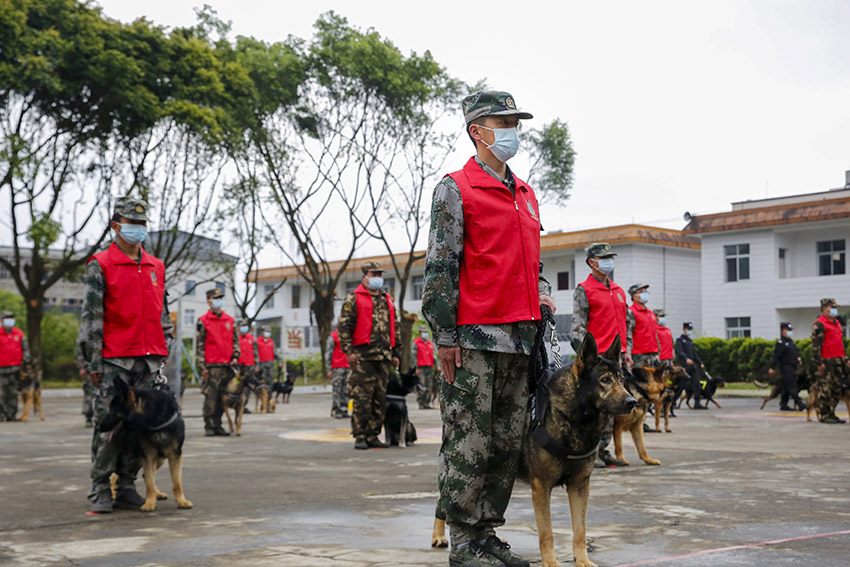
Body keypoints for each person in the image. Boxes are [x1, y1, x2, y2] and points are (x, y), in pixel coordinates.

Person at [423, 89, 554, 567]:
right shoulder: (454, 189)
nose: (512, 131)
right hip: (474, 338)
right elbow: (440, 266)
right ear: (477, 130)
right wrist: (444, 336)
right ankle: (462, 544)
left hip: (521, 339)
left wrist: (540, 290)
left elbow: (531, 262)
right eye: (503, 122)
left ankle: (486, 535)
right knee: (468, 441)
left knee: (504, 444)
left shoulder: (525, 194)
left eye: (515, 122)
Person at [75, 197, 174, 513]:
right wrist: (92, 361)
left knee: (141, 428)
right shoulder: (100, 264)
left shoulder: (156, 266)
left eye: (143, 224)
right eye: (132, 224)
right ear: (116, 226)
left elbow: (163, 312)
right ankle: (101, 488)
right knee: (110, 426)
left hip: (148, 359)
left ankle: (128, 486)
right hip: (114, 359)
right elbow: (91, 317)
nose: (138, 229)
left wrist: (164, 348)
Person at [571, 242, 629, 468]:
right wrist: (585, 360)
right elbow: (578, 328)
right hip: (597, 360)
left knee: (614, 405)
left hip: (616, 357)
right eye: (604, 258)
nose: (608, 262)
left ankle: (603, 449)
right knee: (592, 405)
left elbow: (625, 327)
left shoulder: (618, 291)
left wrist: (627, 353)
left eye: (610, 257)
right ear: (592, 262)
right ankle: (588, 450)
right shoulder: (584, 290)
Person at [337, 261, 400, 450]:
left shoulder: (386, 299)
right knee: (362, 398)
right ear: (364, 276)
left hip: (383, 356)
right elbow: (344, 327)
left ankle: (373, 434)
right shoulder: (353, 298)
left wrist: (396, 352)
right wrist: (349, 351)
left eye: (380, 275)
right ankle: (360, 435)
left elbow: (394, 327)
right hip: (363, 357)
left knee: (379, 398)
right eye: (374, 274)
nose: (378, 278)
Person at [197, 288, 240, 436]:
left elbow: (235, 341)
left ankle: (219, 424)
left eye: (220, 298)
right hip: (212, 366)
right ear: (209, 301)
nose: (218, 301)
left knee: (224, 397)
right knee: (211, 397)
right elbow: (200, 345)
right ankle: (209, 424)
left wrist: (235, 356)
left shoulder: (230, 320)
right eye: (215, 298)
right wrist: (202, 366)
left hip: (227, 365)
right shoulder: (203, 321)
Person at [811, 298, 848, 424]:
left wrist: (846, 358)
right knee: (826, 389)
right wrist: (819, 363)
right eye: (832, 307)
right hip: (827, 361)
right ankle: (824, 414)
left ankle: (831, 412)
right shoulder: (819, 324)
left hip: (838, 360)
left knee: (836, 390)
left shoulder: (836, 323)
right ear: (824, 308)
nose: (834, 310)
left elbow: (840, 343)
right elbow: (816, 346)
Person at [768, 323, 805, 411]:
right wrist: (772, 368)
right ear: (783, 331)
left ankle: (784, 404)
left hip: (793, 367)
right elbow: (776, 356)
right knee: (792, 386)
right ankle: (800, 403)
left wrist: (798, 358)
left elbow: (794, 353)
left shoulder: (791, 342)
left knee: (785, 387)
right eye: (788, 330)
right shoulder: (781, 343)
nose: (790, 332)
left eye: (790, 330)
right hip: (786, 368)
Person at [0, 311, 30, 422]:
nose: (9, 320)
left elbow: (26, 349)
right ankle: (2, 414)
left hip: (16, 368)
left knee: (13, 393)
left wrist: (25, 360)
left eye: (11, 318)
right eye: (7, 318)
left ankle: (11, 414)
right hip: (1, 369)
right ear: (2, 320)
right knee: (2, 393)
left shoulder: (19, 334)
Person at [627, 283, 660, 368]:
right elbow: (628, 334)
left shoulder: (651, 313)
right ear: (634, 296)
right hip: (639, 356)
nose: (645, 294)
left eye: (646, 291)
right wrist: (628, 354)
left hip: (652, 355)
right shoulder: (631, 312)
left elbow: (655, 335)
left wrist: (657, 353)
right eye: (641, 292)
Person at [675, 322, 707, 410]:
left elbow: (694, 354)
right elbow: (679, 352)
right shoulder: (680, 340)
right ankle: (673, 402)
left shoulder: (690, 341)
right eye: (688, 329)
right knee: (681, 384)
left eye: (690, 330)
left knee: (696, 383)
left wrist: (700, 362)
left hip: (692, 366)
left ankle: (697, 403)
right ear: (684, 329)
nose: (689, 331)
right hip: (684, 366)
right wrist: (686, 359)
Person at [325, 327, 350, 418]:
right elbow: (328, 353)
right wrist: (329, 369)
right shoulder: (333, 336)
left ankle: (344, 409)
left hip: (348, 365)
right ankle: (337, 410)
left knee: (346, 389)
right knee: (337, 389)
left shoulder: (349, 335)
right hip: (337, 366)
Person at [236, 319, 260, 410]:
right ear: (237, 328)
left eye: (245, 326)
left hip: (249, 365)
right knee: (238, 385)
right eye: (242, 326)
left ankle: (243, 405)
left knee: (248, 387)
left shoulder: (252, 338)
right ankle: (236, 403)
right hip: (238, 366)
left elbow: (256, 352)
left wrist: (257, 365)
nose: (244, 328)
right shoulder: (234, 338)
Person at [412, 327, 437, 409]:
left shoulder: (430, 344)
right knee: (422, 385)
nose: (425, 334)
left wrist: (438, 365)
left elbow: (433, 356)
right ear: (420, 333)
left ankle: (426, 403)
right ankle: (421, 403)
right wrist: (416, 368)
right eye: (424, 332)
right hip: (421, 367)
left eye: (426, 332)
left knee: (429, 385)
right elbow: (414, 356)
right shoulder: (416, 343)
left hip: (429, 367)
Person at [257, 325, 279, 390]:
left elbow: (275, 352)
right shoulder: (257, 341)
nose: (268, 333)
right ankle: (262, 393)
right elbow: (255, 353)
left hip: (270, 363)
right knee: (262, 379)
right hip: (261, 363)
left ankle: (269, 393)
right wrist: (257, 365)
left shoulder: (271, 341)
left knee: (270, 379)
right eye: (266, 331)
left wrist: (279, 361)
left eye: (269, 331)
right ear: (262, 332)